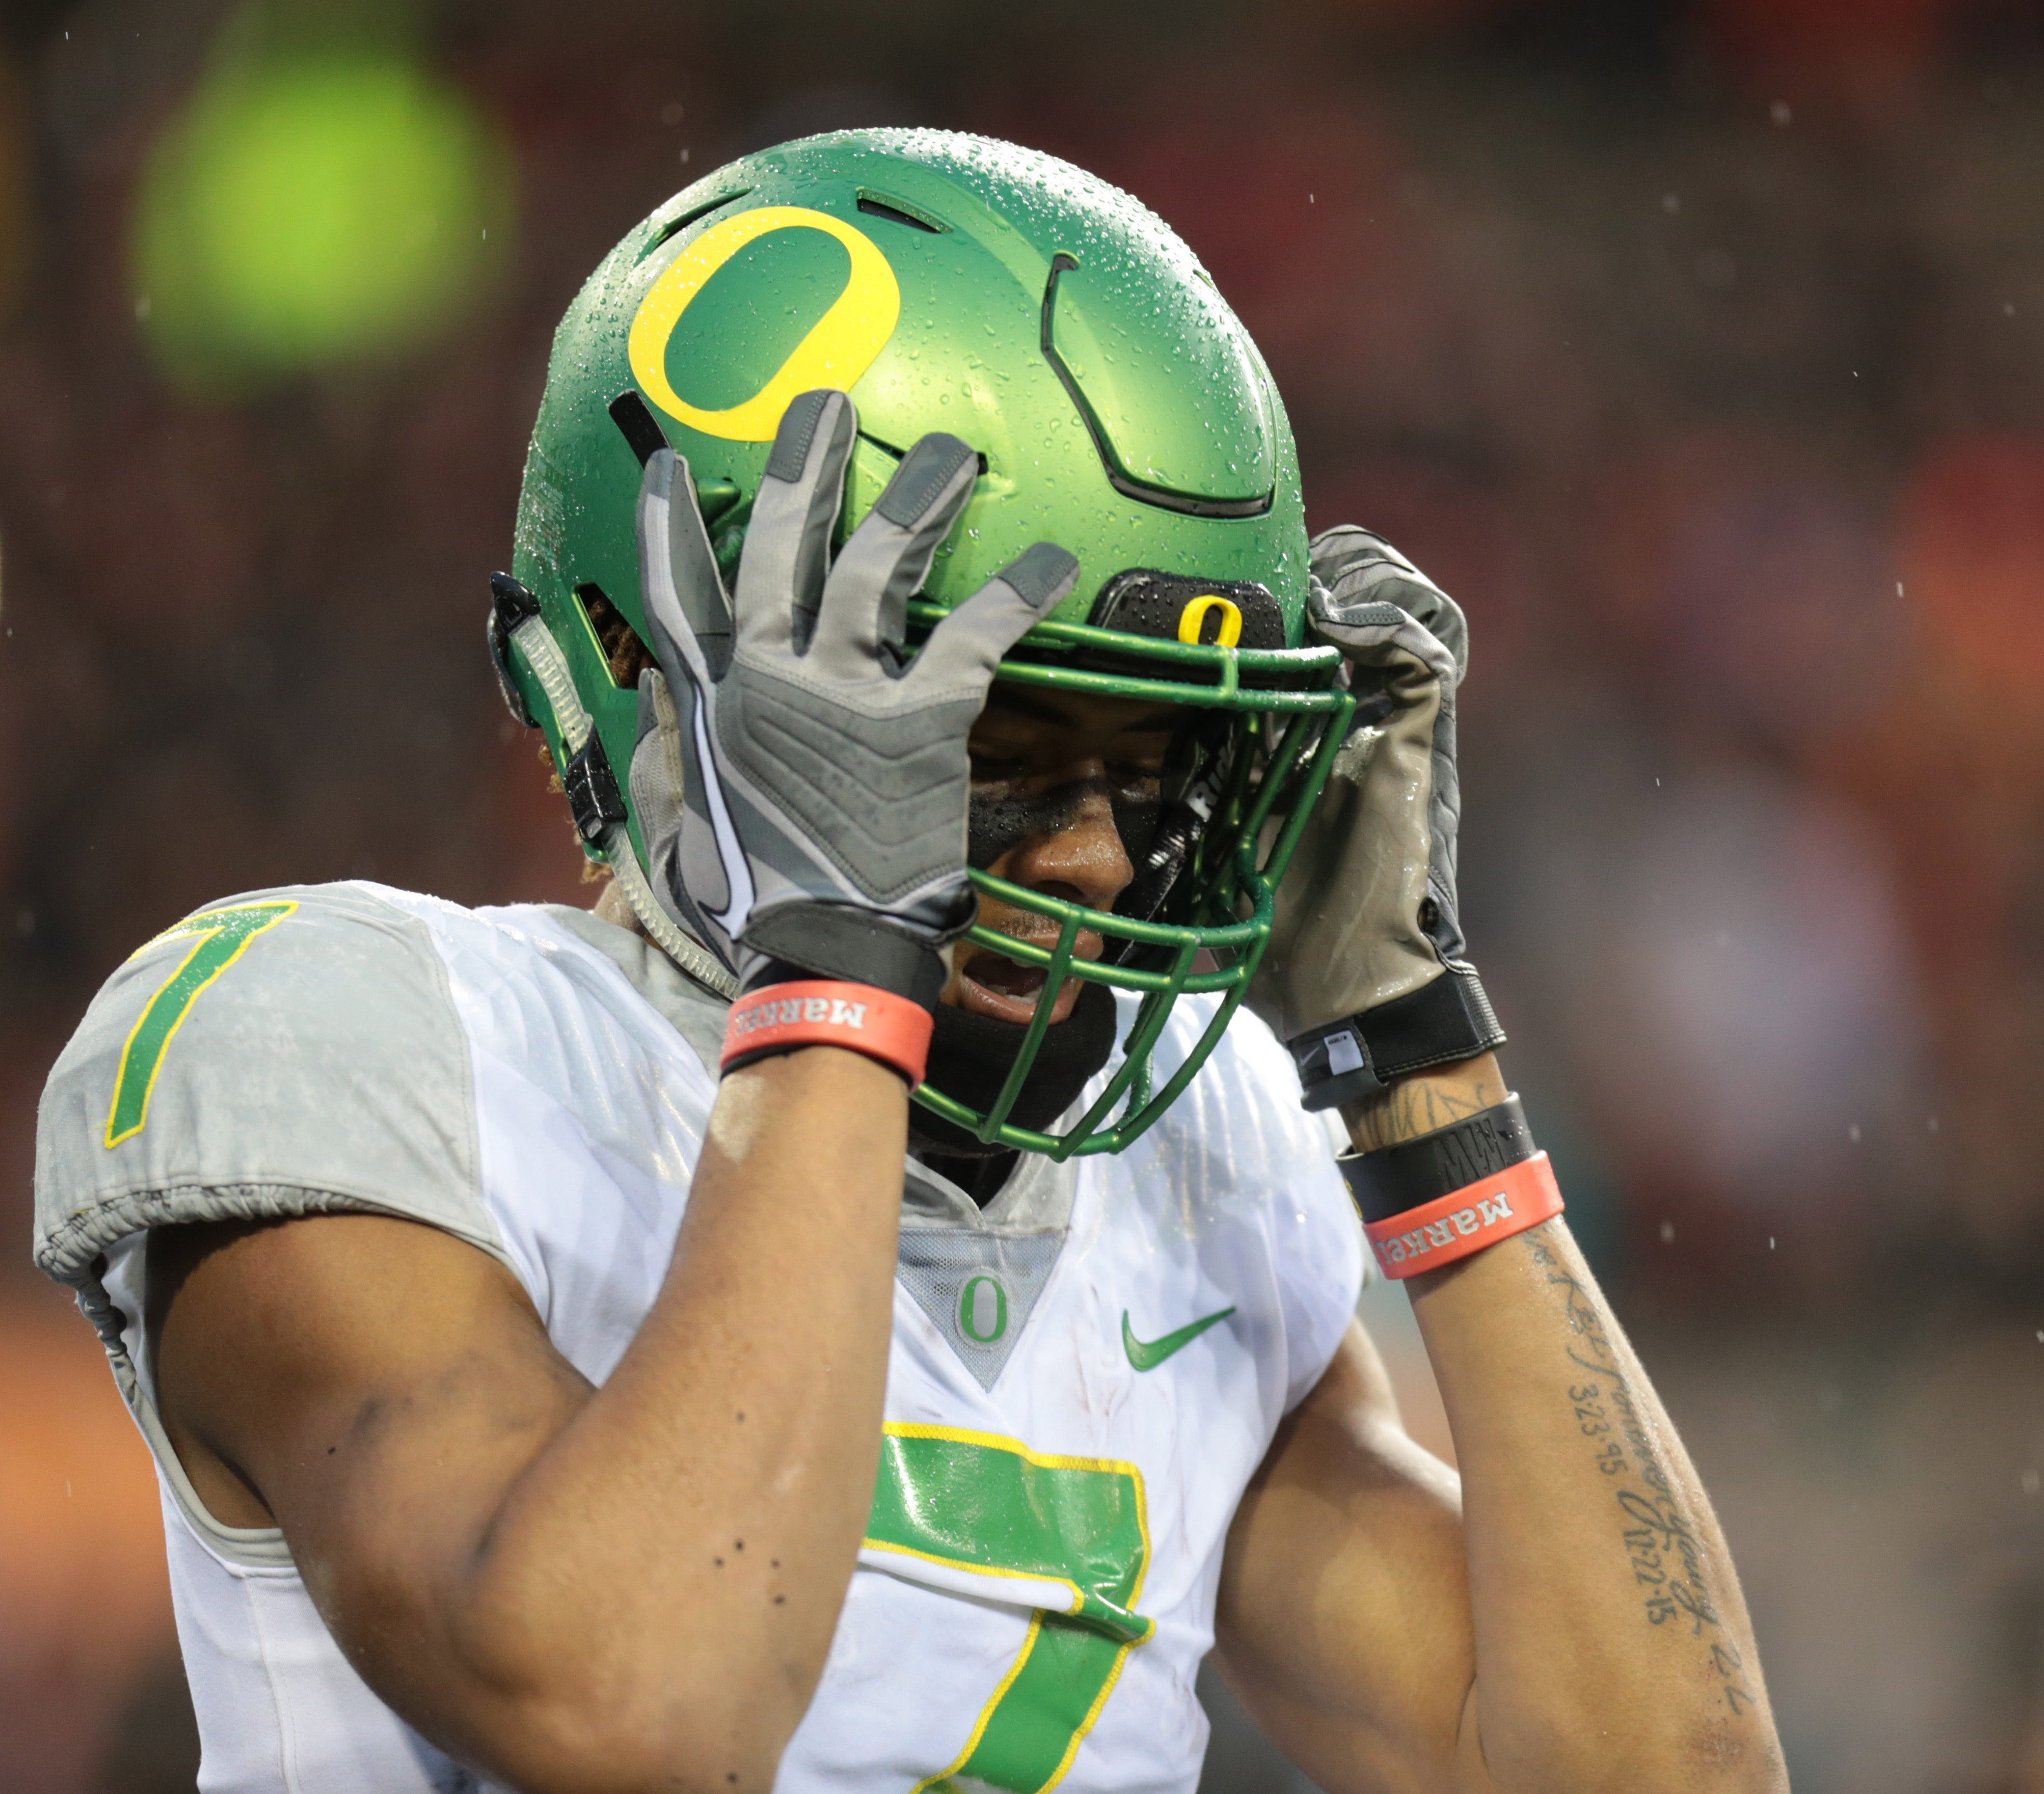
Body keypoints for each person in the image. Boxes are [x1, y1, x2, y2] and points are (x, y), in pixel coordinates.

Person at [34, 131, 1787, 1794]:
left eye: (1157, 766)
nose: (1099, 857)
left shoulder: (1191, 1149)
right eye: (987, 750)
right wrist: (838, 971)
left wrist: (1417, 1066)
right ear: (663, 687)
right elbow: (636, 1710)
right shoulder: (362, 1036)